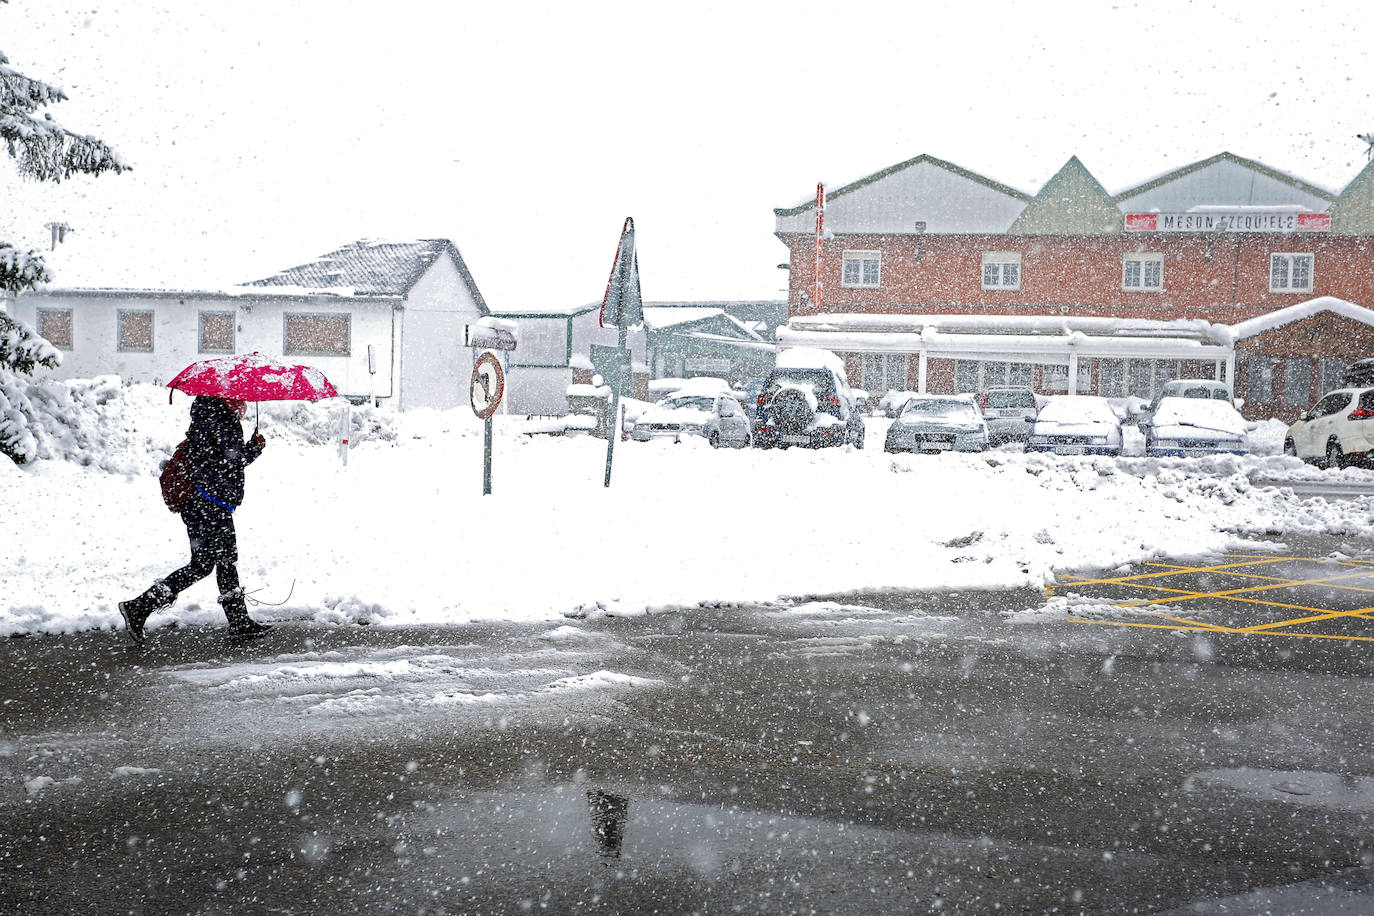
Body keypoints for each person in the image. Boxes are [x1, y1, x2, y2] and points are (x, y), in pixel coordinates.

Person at [119, 396, 270, 643]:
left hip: (199, 501)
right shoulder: (223, 421)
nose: (242, 403)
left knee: (204, 564)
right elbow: (228, 463)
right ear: (228, 398)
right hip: (211, 503)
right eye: (239, 398)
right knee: (224, 560)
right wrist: (253, 448)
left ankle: (139, 607)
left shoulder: (204, 418)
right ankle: (238, 621)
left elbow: (214, 459)